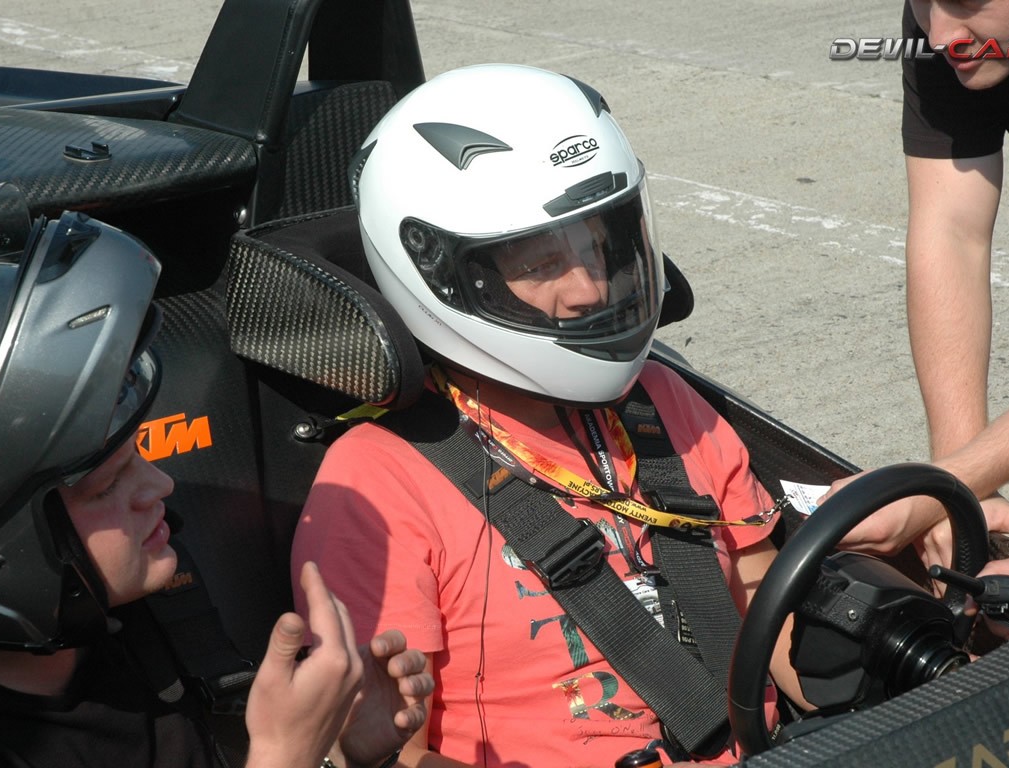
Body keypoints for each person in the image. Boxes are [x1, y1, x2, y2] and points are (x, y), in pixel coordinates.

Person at [291, 64, 808, 767]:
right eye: (539, 265)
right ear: (447, 276)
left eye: (596, 245)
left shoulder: (662, 401)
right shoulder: (378, 480)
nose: (588, 288)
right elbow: (392, 750)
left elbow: (771, 620)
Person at [0, 183, 432, 767]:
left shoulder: (138, 631)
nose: (161, 486)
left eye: (138, 458)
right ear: (2, 549)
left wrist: (344, 754)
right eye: (107, 485)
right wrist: (285, 755)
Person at [826, 0, 1009, 624]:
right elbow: (952, 231)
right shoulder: (950, 24)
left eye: (968, 3)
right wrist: (963, 491)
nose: (940, 35)